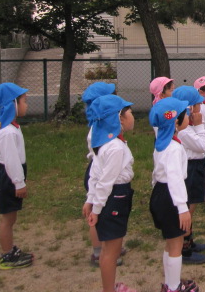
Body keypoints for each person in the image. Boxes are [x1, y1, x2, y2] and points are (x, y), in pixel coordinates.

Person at [84, 94, 136, 292]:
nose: (133, 116)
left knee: (110, 248)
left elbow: (94, 174)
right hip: (115, 197)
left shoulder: (106, 143)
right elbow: (105, 182)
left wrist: (90, 200)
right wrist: (95, 208)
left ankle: (110, 286)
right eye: (129, 112)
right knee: (111, 251)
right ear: (119, 119)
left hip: (111, 197)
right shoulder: (114, 147)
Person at [149, 97, 199, 292]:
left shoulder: (162, 143)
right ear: (175, 121)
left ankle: (171, 281)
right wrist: (182, 208)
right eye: (184, 114)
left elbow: (157, 175)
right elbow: (175, 179)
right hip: (172, 197)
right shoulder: (174, 148)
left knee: (170, 242)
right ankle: (173, 286)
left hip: (161, 193)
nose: (188, 116)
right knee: (176, 244)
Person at [82, 82, 126, 268]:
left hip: (104, 169)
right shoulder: (98, 129)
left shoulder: (104, 124)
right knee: (97, 214)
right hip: (100, 172)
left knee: (106, 214)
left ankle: (110, 246)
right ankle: (98, 252)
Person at [0, 83, 33, 270]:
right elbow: (11, 161)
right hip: (9, 176)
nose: (26, 105)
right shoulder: (7, 132)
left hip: (11, 174)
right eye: (24, 101)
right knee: (7, 219)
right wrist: (19, 183)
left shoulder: (11, 127)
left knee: (11, 217)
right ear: (12, 104)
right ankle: (7, 256)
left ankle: (10, 250)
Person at [172, 86, 205, 265]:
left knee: (192, 206)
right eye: (197, 105)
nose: (200, 109)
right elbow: (203, 146)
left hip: (195, 166)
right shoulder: (184, 130)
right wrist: (200, 125)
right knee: (188, 208)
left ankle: (190, 241)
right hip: (190, 167)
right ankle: (184, 249)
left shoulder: (187, 127)